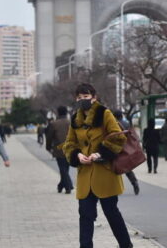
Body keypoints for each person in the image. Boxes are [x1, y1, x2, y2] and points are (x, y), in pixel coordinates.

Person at [63, 83, 133, 248]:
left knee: (111, 213)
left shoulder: (104, 114)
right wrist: (77, 155)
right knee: (85, 215)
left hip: (104, 173)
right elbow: (69, 143)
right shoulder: (75, 119)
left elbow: (118, 137)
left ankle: (126, 245)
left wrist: (100, 153)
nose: (82, 100)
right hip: (85, 174)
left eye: (86, 97)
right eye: (79, 97)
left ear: (94, 97)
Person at [46, 106, 74, 194]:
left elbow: (49, 137)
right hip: (70, 149)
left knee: (63, 169)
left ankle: (68, 186)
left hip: (59, 150)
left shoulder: (54, 124)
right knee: (65, 169)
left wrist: (48, 147)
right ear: (66, 113)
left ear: (58, 113)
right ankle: (61, 185)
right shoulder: (71, 123)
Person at [114, 110, 140, 195]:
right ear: (121, 115)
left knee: (115, 168)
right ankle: (134, 183)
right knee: (127, 168)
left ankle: (116, 188)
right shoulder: (127, 124)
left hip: (116, 148)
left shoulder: (114, 124)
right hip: (126, 148)